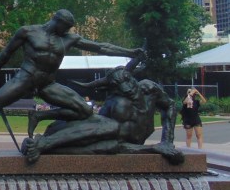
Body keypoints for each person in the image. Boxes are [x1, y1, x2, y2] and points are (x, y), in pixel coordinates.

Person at [0, 9, 144, 154]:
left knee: (84, 110)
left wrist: (129, 52)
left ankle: (44, 120)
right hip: (25, 78)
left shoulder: (68, 39)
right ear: (56, 20)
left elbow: (101, 47)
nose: (67, 30)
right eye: (65, 26)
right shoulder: (28, 32)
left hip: (47, 84)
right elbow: (5, 53)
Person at [21, 63, 182, 165]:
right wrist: (154, 148)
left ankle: (40, 144)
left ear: (132, 77)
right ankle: (43, 143)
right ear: (114, 90)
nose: (127, 88)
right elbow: (111, 138)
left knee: (107, 146)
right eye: (118, 85)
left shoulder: (149, 89)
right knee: (107, 140)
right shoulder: (117, 105)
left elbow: (170, 105)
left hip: (108, 143)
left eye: (127, 80)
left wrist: (167, 141)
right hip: (79, 134)